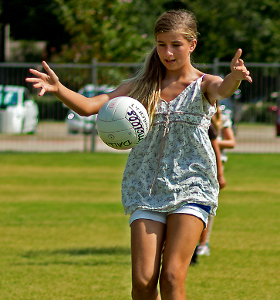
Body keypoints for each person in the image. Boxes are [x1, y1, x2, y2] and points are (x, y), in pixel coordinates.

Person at [26, 9, 252, 300]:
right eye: (161, 44)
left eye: (175, 45)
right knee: (143, 283)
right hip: (145, 187)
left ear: (192, 44)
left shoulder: (204, 84)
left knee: (171, 276)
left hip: (192, 186)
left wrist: (234, 76)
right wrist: (58, 89)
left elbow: (223, 89)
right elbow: (89, 105)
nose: (167, 52)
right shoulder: (141, 86)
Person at [196, 104, 236, 257]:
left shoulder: (221, 117)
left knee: (208, 205)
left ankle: (203, 243)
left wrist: (210, 142)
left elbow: (231, 142)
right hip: (195, 162)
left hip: (213, 165)